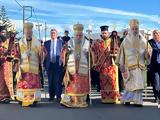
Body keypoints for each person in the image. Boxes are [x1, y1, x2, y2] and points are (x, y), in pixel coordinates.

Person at [115, 19, 152, 107]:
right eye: (133, 29)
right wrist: (122, 67)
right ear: (130, 29)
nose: (135, 30)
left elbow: (149, 51)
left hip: (140, 66)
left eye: (136, 29)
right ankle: (127, 99)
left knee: (139, 85)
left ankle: (138, 101)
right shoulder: (125, 41)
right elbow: (121, 55)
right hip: (129, 67)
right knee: (130, 85)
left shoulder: (143, 40)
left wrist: (148, 55)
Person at [15, 22, 46, 107]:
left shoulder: (37, 42)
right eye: (26, 32)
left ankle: (34, 100)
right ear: (24, 32)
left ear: (32, 32)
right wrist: (17, 63)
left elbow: (41, 54)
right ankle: (22, 99)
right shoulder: (20, 42)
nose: (28, 34)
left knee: (33, 85)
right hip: (23, 67)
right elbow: (17, 53)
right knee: (23, 84)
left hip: (34, 67)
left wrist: (42, 51)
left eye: (30, 32)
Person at [60, 23, 89, 108]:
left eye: (80, 35)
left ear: (82, 34)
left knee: (81, 85)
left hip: (82, 67)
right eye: (77, 35)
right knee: (71, 85)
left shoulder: (87, 42)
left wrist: (89, 52)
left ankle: (81, 101)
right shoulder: (70, 42)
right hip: (72, 67)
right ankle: (69, 101)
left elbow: (91, 54)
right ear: (74, 34)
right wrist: (66, 51)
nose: (78, 37)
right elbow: (63, 52)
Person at [91, 25, 119, 103]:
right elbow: (93, 50)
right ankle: (105, 98)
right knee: (103, 82)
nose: (104, 34)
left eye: (105, 33)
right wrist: (91, 48)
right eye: (103, 33)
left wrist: (114, 54)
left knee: (112, 81)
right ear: (101, 33)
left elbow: (117, 50)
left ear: (108, 33)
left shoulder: (112, 41)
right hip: (102, 65)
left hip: (111, 64)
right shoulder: (98, 42)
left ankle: (114, 98)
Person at [44, 28, 63, 102]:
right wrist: (44, 64)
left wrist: (64, 63)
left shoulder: (61, 42)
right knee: (50, 80)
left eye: (54, 33)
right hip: (49, 63)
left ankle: (58, 96)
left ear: (57, 34)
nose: (53, 34)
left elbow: (64, 53)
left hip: (58, 64)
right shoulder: (46, 43)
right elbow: (44, 55)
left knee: (58, 81)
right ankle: (51, 96)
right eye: (52, 33)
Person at [0, 26, 15, 103]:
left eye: (5, 33)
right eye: (2, 32)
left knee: (6, 79)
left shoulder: (8, 41)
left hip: (6, 63)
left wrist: (12, 37)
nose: (4, 34)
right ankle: (1, 96)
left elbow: (11, 49)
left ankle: (7, 96)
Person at [148, 30, 160, 108]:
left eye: (157, 33)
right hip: (154, 65)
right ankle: (157, 97)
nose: (156, 35)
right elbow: (147, 52)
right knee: (156, 82)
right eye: (154, 34)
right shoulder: (150, 42)